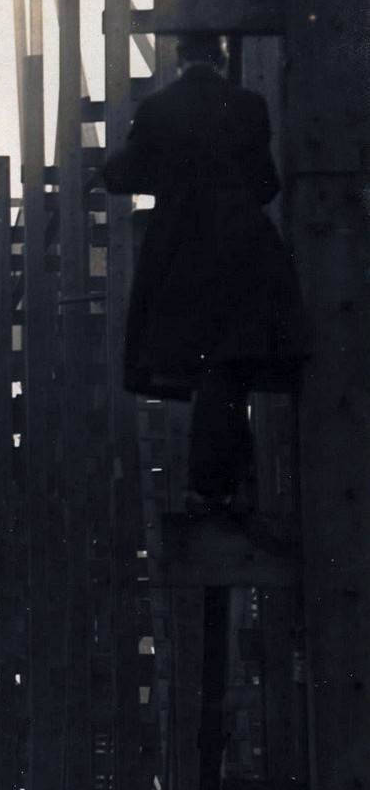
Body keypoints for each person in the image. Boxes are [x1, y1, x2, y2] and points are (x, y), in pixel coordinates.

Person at [101, 31, 302, 515]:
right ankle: (230, 484)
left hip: (182, 249)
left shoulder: (159, 108)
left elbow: (123, 176)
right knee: (231, 364)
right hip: (243, 245)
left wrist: (160, 175)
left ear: (179, 60)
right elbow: (266, 184)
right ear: (222, 57)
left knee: (213, 366)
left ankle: (214, 488)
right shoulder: (249, 104)